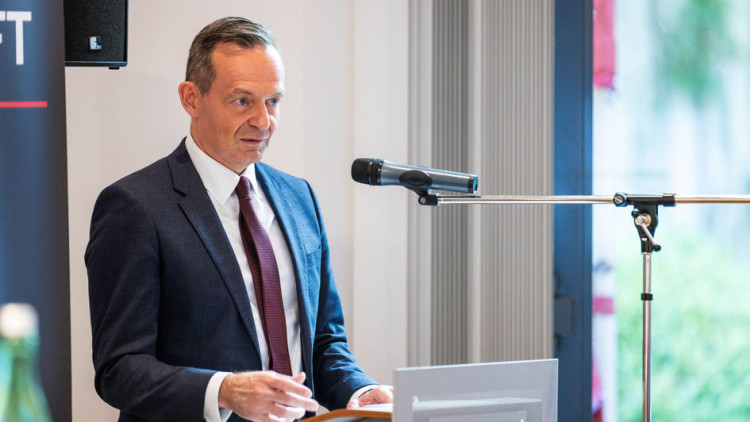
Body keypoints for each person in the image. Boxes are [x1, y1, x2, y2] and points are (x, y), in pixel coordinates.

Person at [85, 17, 392, 422]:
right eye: (243, 101)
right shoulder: (134, 206)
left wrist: (359, 390)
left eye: (274, 101)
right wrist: (224, 391)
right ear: (191, 99)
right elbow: (118, 369)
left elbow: (324, 341)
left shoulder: (299, 197)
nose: (264, 122)